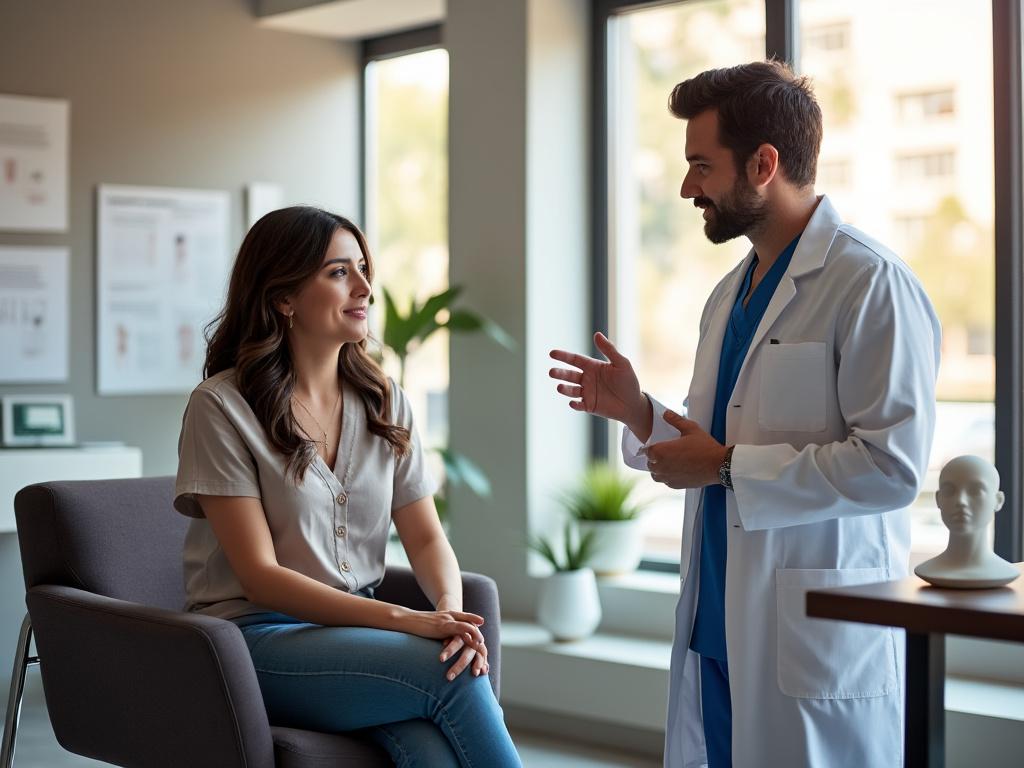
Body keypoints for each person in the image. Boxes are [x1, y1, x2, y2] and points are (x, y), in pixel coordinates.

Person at [549, 61, 941, 768]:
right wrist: (640, 412)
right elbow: (714, 450)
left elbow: (893, 468)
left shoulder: (870, 284)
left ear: (764, 163)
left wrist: (728, 466)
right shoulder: (728, 295)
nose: (686, 187)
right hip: (719, 628)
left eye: (702, 165)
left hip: (811, 638)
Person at [174, 206, 521, 768]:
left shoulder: (385, 402)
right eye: (339, 273)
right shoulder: (221, 407)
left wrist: (450, 615)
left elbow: (428, 539)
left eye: (362, 268)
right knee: (448, 678)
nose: (364, 287)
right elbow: (260, 579)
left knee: (432, 751)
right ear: (283, 296)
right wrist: (411, 623)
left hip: (353, 638)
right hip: (251, 644)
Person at [915, 455, 1019, 588]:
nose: (961, 501)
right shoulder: (927, 570)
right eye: (949, 491)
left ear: (998, 501)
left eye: (976, 491)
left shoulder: (1006, 571)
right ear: (938, 499)